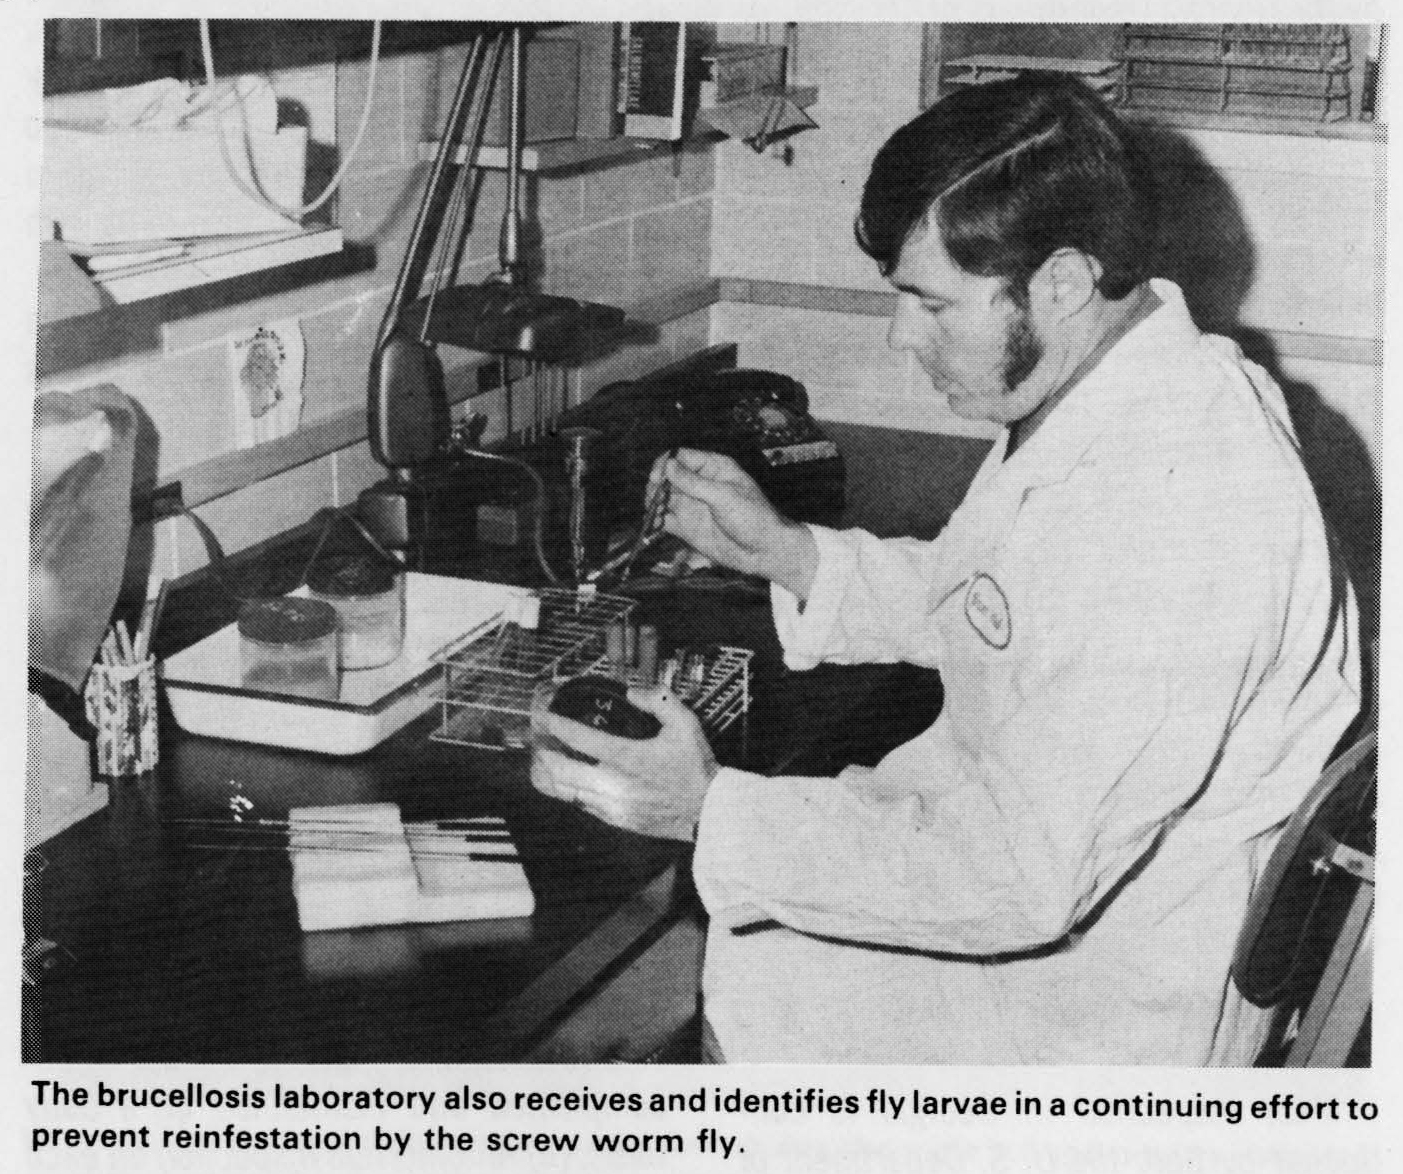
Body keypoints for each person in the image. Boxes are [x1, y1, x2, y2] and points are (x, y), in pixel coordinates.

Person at [531, 75, 1361, 1064]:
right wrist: (793, 555)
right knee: (750, 936)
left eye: (930, 302)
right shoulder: (1126, 389)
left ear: (1058, 281)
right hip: (1072, 909)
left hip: (1098, 1002)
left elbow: (1011, 876)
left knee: (739, 958)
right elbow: (1003, 603)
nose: (901, 335)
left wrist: (712, 808)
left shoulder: (1179, 504)